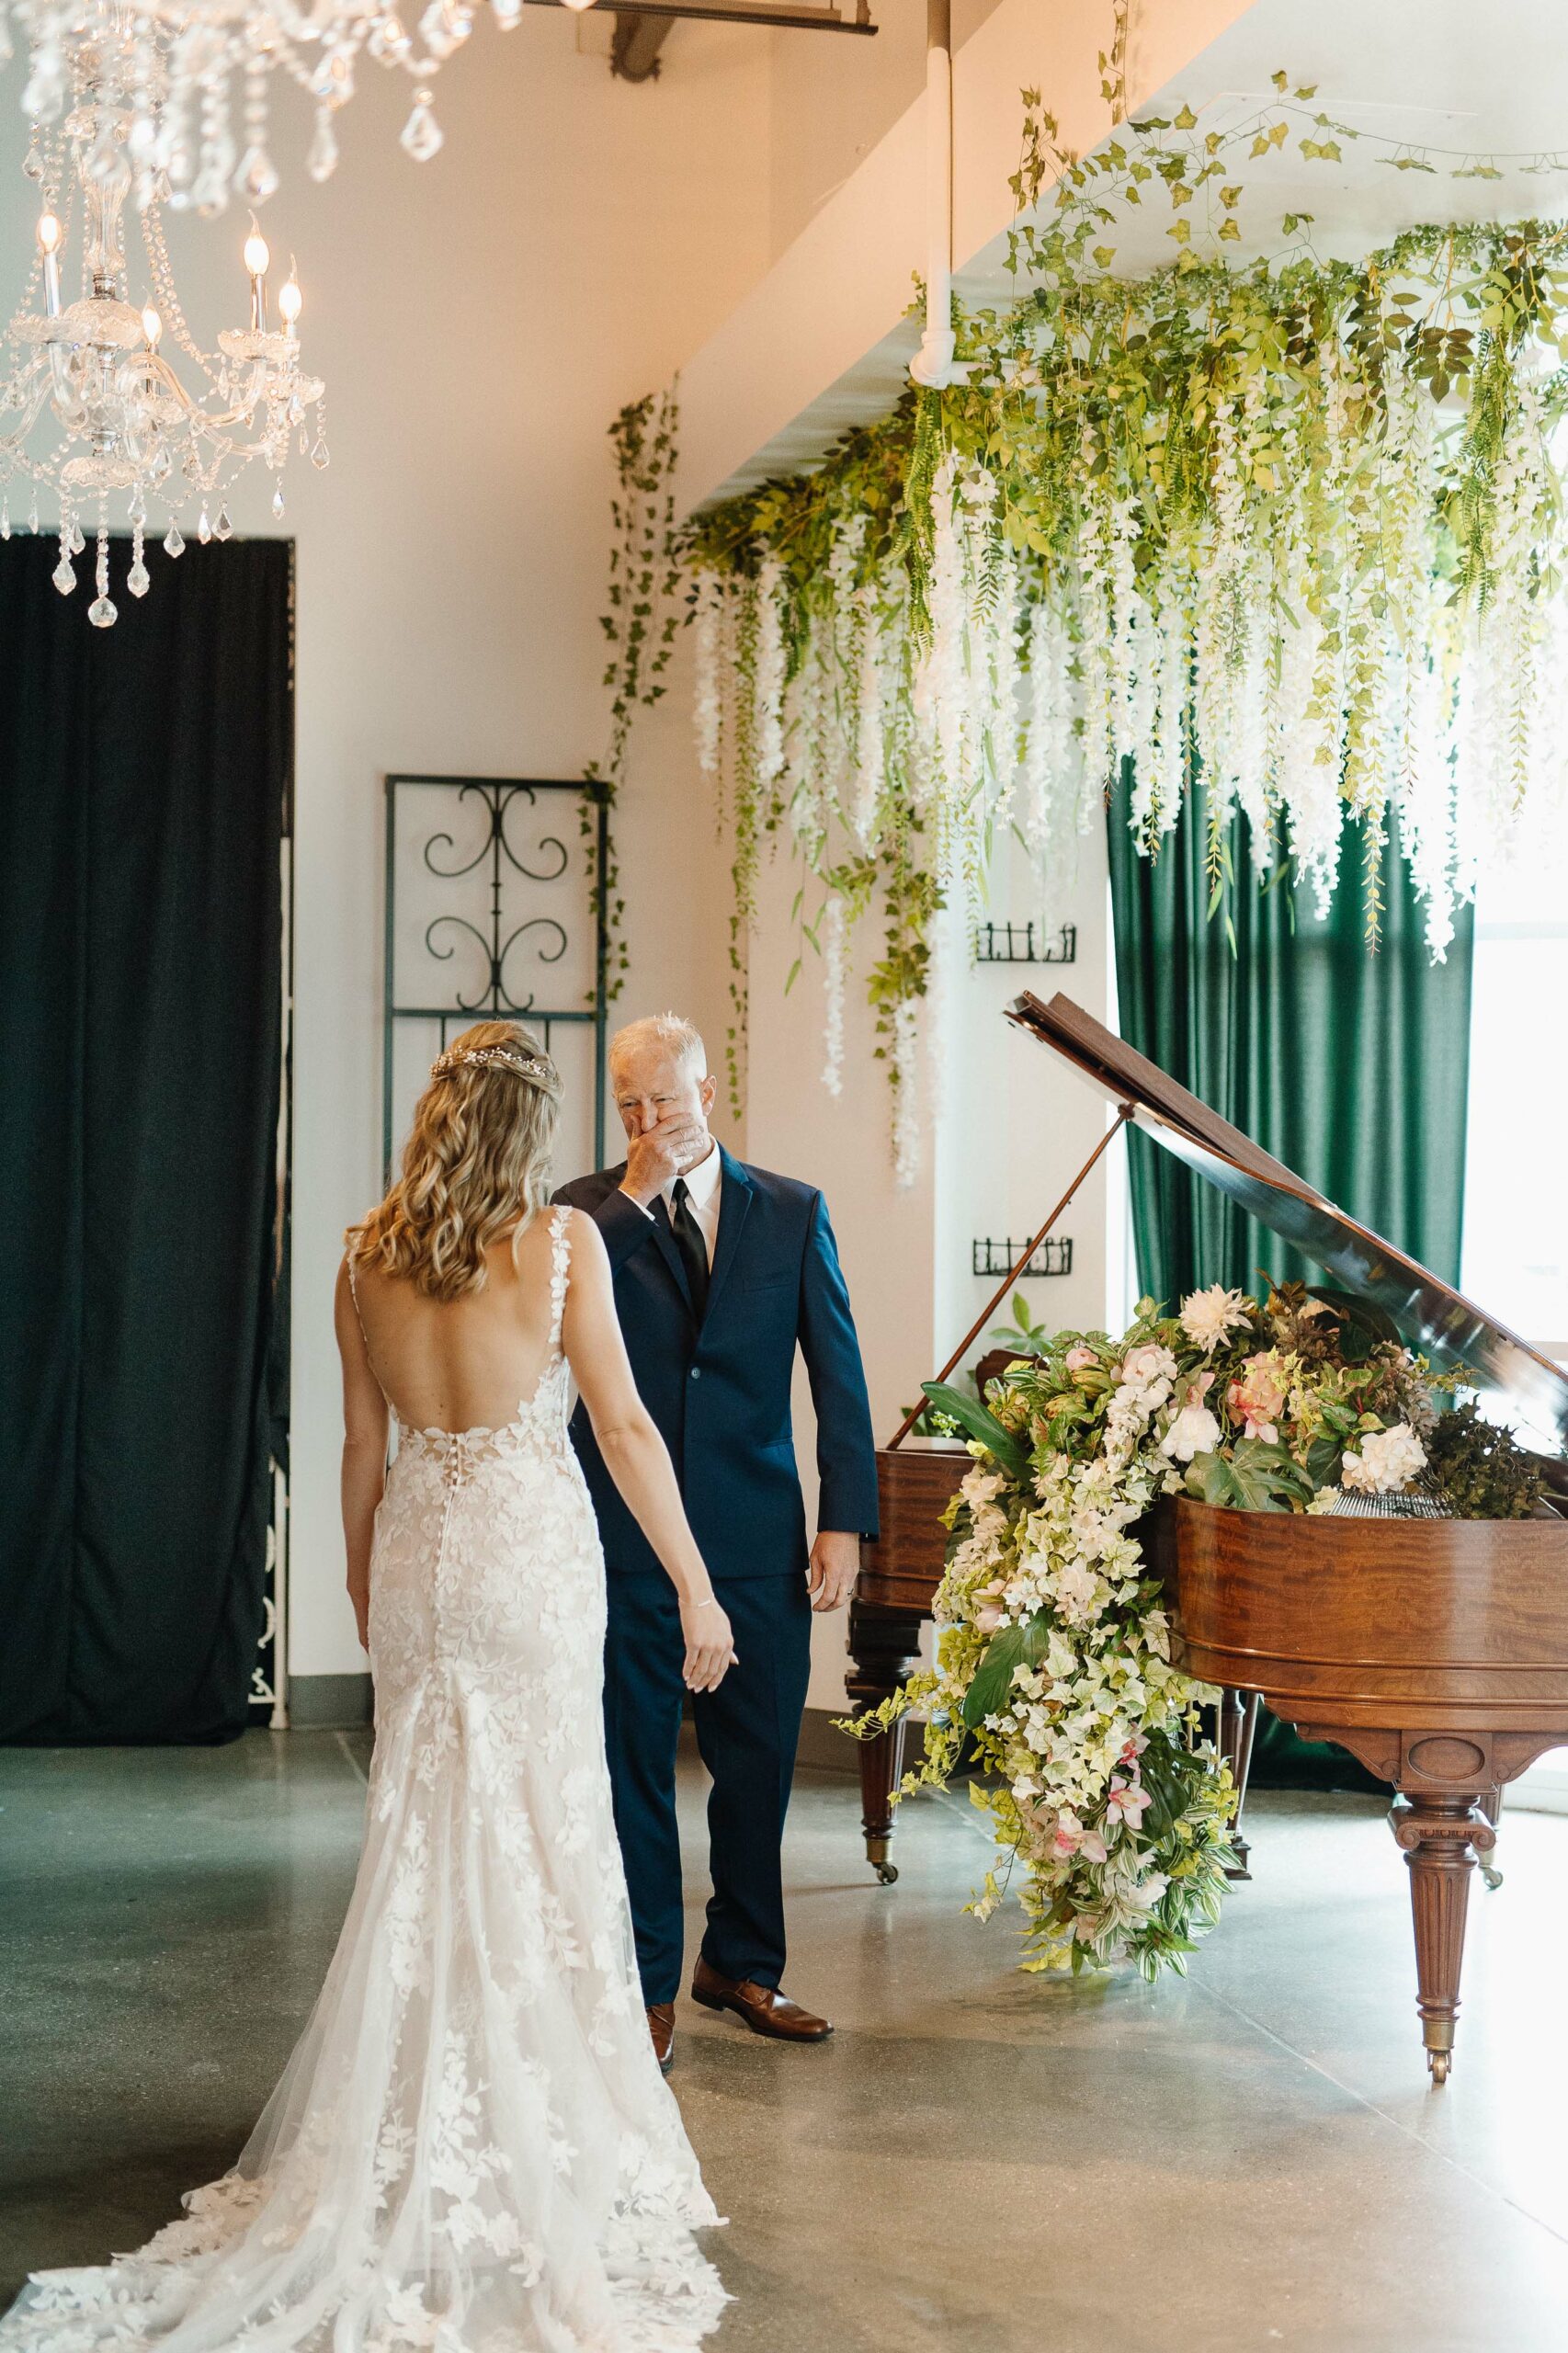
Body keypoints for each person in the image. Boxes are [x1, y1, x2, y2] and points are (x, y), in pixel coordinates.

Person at [0, 1020, 732, 2353]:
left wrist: (358, 1581)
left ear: (436, 1114)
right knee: (543, 1831)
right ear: (532, 1126)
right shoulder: (563, 1248)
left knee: (423, 1833)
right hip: (526, 1567)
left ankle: (412, 2100)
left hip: (419, 1565)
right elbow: (622, 1429)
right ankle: (535, 2114)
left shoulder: (363, 1257)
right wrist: (694, 1582)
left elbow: (355, 1443)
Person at [555, 1013, 879, 2075]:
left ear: (706, 1089)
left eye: (665, 1100)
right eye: (629, 1107)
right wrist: (639, 1195)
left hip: (752, 1538)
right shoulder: (583, 1216)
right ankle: (647, 1985)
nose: (649, 1123)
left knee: (756, 1765)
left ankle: (740, 1961)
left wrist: (842, 1518)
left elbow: (837, 1373)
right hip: (625, 1538)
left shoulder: (790, 1211)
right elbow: (563, 1327)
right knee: (633, 1767)